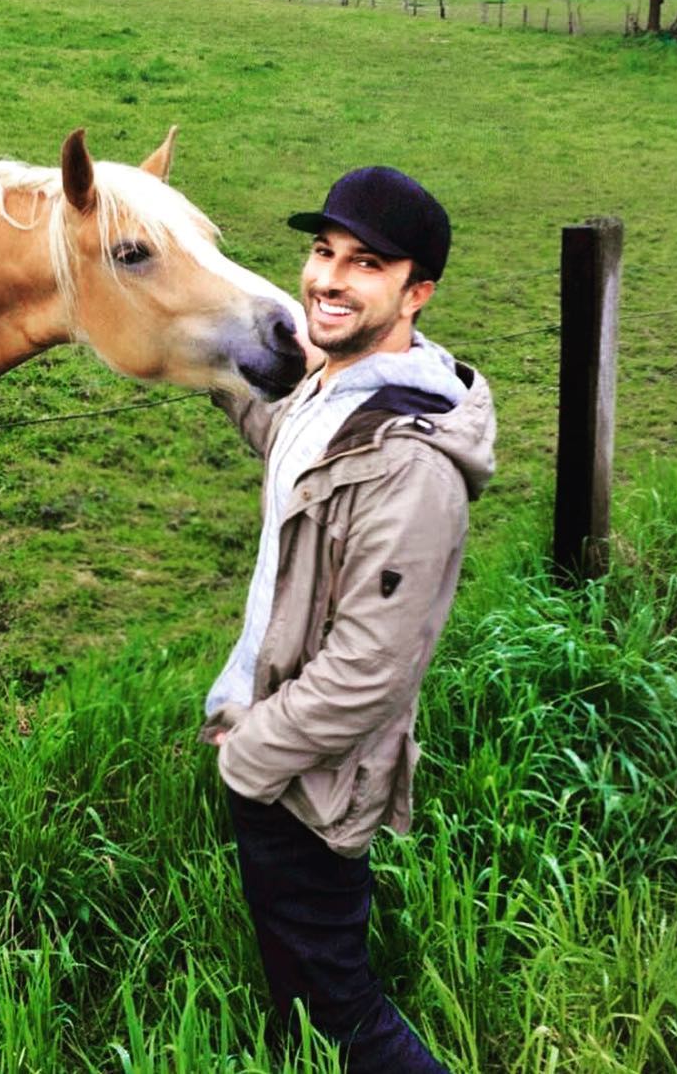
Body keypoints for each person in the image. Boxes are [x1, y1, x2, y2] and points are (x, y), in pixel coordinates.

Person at [199, 165, 496, 1073]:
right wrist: (193, 348)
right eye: (323, 252)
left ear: (417, 292)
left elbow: (371, 671)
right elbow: (284, 433)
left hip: (305, 780)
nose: (327, 277)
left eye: (365, 263)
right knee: (302, 988)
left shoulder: (410, 468)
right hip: (274, 747)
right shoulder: (337, 390)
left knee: (342, 1009)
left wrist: (249, 758)